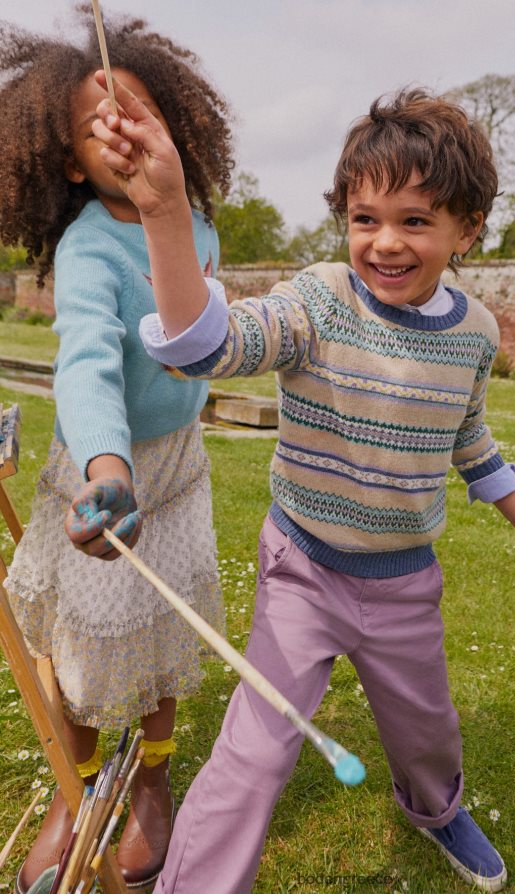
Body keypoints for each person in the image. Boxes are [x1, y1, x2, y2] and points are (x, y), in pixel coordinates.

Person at [91, 78, 515, 893]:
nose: (385, 243)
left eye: (415, 221)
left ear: (469, 229)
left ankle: (434, 811)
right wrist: (164, 212)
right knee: (255, 751)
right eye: (366, 219)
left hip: (404, 581)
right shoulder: (317, 300)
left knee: (428, 736)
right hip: (303, 573)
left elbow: (467, 433)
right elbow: (206, 344)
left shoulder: (476, 333)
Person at [0, 10, 233, 892]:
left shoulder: (199, 227)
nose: (124, 133)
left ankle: (154, 773)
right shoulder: (88, 247)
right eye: (100, 128)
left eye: (141, 115)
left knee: (168, 623)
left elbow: (203, 335)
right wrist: (107, 467)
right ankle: (81, 782)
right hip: (106, 479)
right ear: (68, 162)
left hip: (177, 470)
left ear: (176, 128)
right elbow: (88, 363)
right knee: (90, 638)